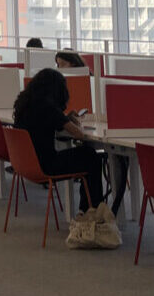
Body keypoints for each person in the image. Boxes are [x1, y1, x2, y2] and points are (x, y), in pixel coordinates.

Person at [12, 68, 104, 211]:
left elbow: (45, 123)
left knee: (86, 155)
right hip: (47, 165)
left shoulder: (24, 104)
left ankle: (88, 208)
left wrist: (64, 119)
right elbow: (79, 134)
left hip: (24, 164)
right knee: (91, 156)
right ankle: (91, 209)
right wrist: (75, 121)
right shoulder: (48, 107)